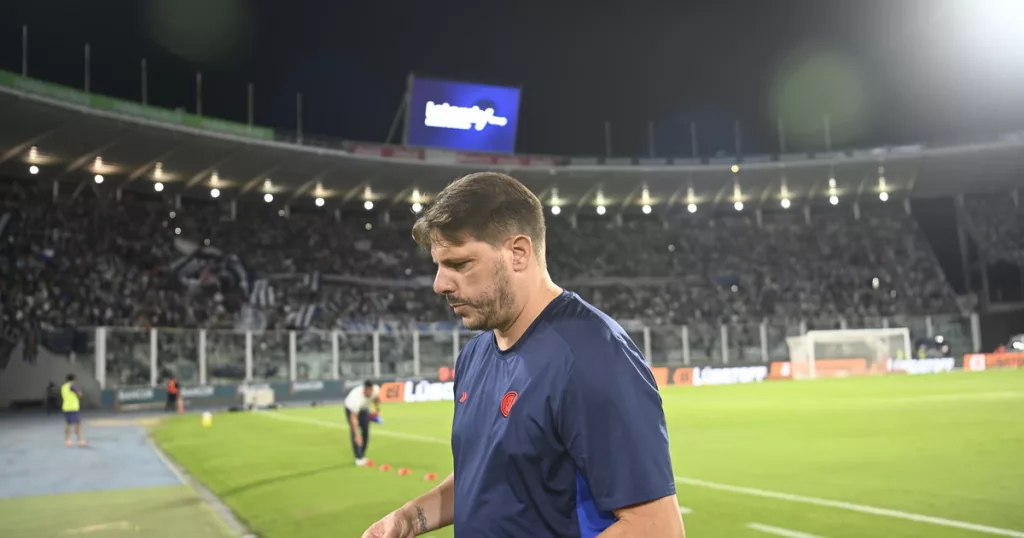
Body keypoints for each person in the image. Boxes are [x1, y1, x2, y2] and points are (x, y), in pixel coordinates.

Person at [362, 172, 684, 538]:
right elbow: (487, 481)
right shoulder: (475, 356)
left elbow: (657, 527)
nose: (440, 284)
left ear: (518, 253)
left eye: (459, 264)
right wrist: (408, 519)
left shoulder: (593, 356)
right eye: (438, 265)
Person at [344, 380, 380, 466]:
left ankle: (362, 455)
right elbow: (353, 418)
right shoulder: (356, 399)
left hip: (364, 409)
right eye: (368, 391)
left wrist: (377, 410)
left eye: (371, 390)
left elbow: (376, 399)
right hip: (351, 410)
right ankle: (358, 458)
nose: (370, 393)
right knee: (355, 433)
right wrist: (357, 435)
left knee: (366, 432)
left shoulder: (375, 390)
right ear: (364, 390)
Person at [61, 373, 87, 447]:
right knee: (78, 424)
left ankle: (67, 441)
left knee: (68, 424)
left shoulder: (64, 386)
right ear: (74, 379)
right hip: (73, 407)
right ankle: (79, 441)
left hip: (66, 407)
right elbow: (79, 394)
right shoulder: (72, 386)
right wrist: (80, 393)